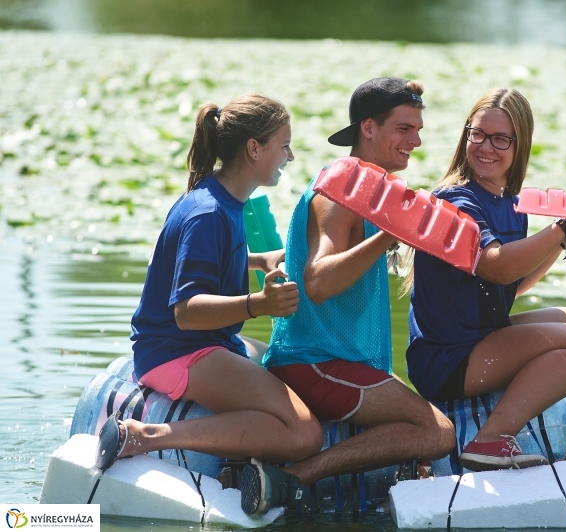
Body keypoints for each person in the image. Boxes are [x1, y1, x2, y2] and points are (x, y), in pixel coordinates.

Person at [94, 94, 321, 515]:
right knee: (304, 433)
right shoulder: (208, 212)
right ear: (254, 149)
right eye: (283, 145)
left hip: (185, 345)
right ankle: (145, 436)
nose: (289, 155)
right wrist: (259, 303)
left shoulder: (220, 197)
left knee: (271, 356)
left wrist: (258, 259)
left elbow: (201, 262)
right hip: (176, 351)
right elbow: (187, 308)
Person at [258, 77, 455, 511]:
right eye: (404, 128)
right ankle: (290, 479)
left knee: (427, 428)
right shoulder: (344, 189)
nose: (417, 141)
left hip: (343, 363)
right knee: (438, 432)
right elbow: (317, 281)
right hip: (314, 360)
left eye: (419, 129)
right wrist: (390, 235)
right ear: (368, 127)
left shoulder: (368, 187)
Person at [405, 88, 566, 472]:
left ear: (520, 145)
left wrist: (562, 238)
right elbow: (496, 266)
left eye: (500, 139)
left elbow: (513, 283)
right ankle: (490, 440)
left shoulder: (510, 202)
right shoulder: (453, 201)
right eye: (477, 134)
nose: (485, 147)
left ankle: (513, 416)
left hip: (480, 338)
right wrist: (559, 227)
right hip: (447, 359)